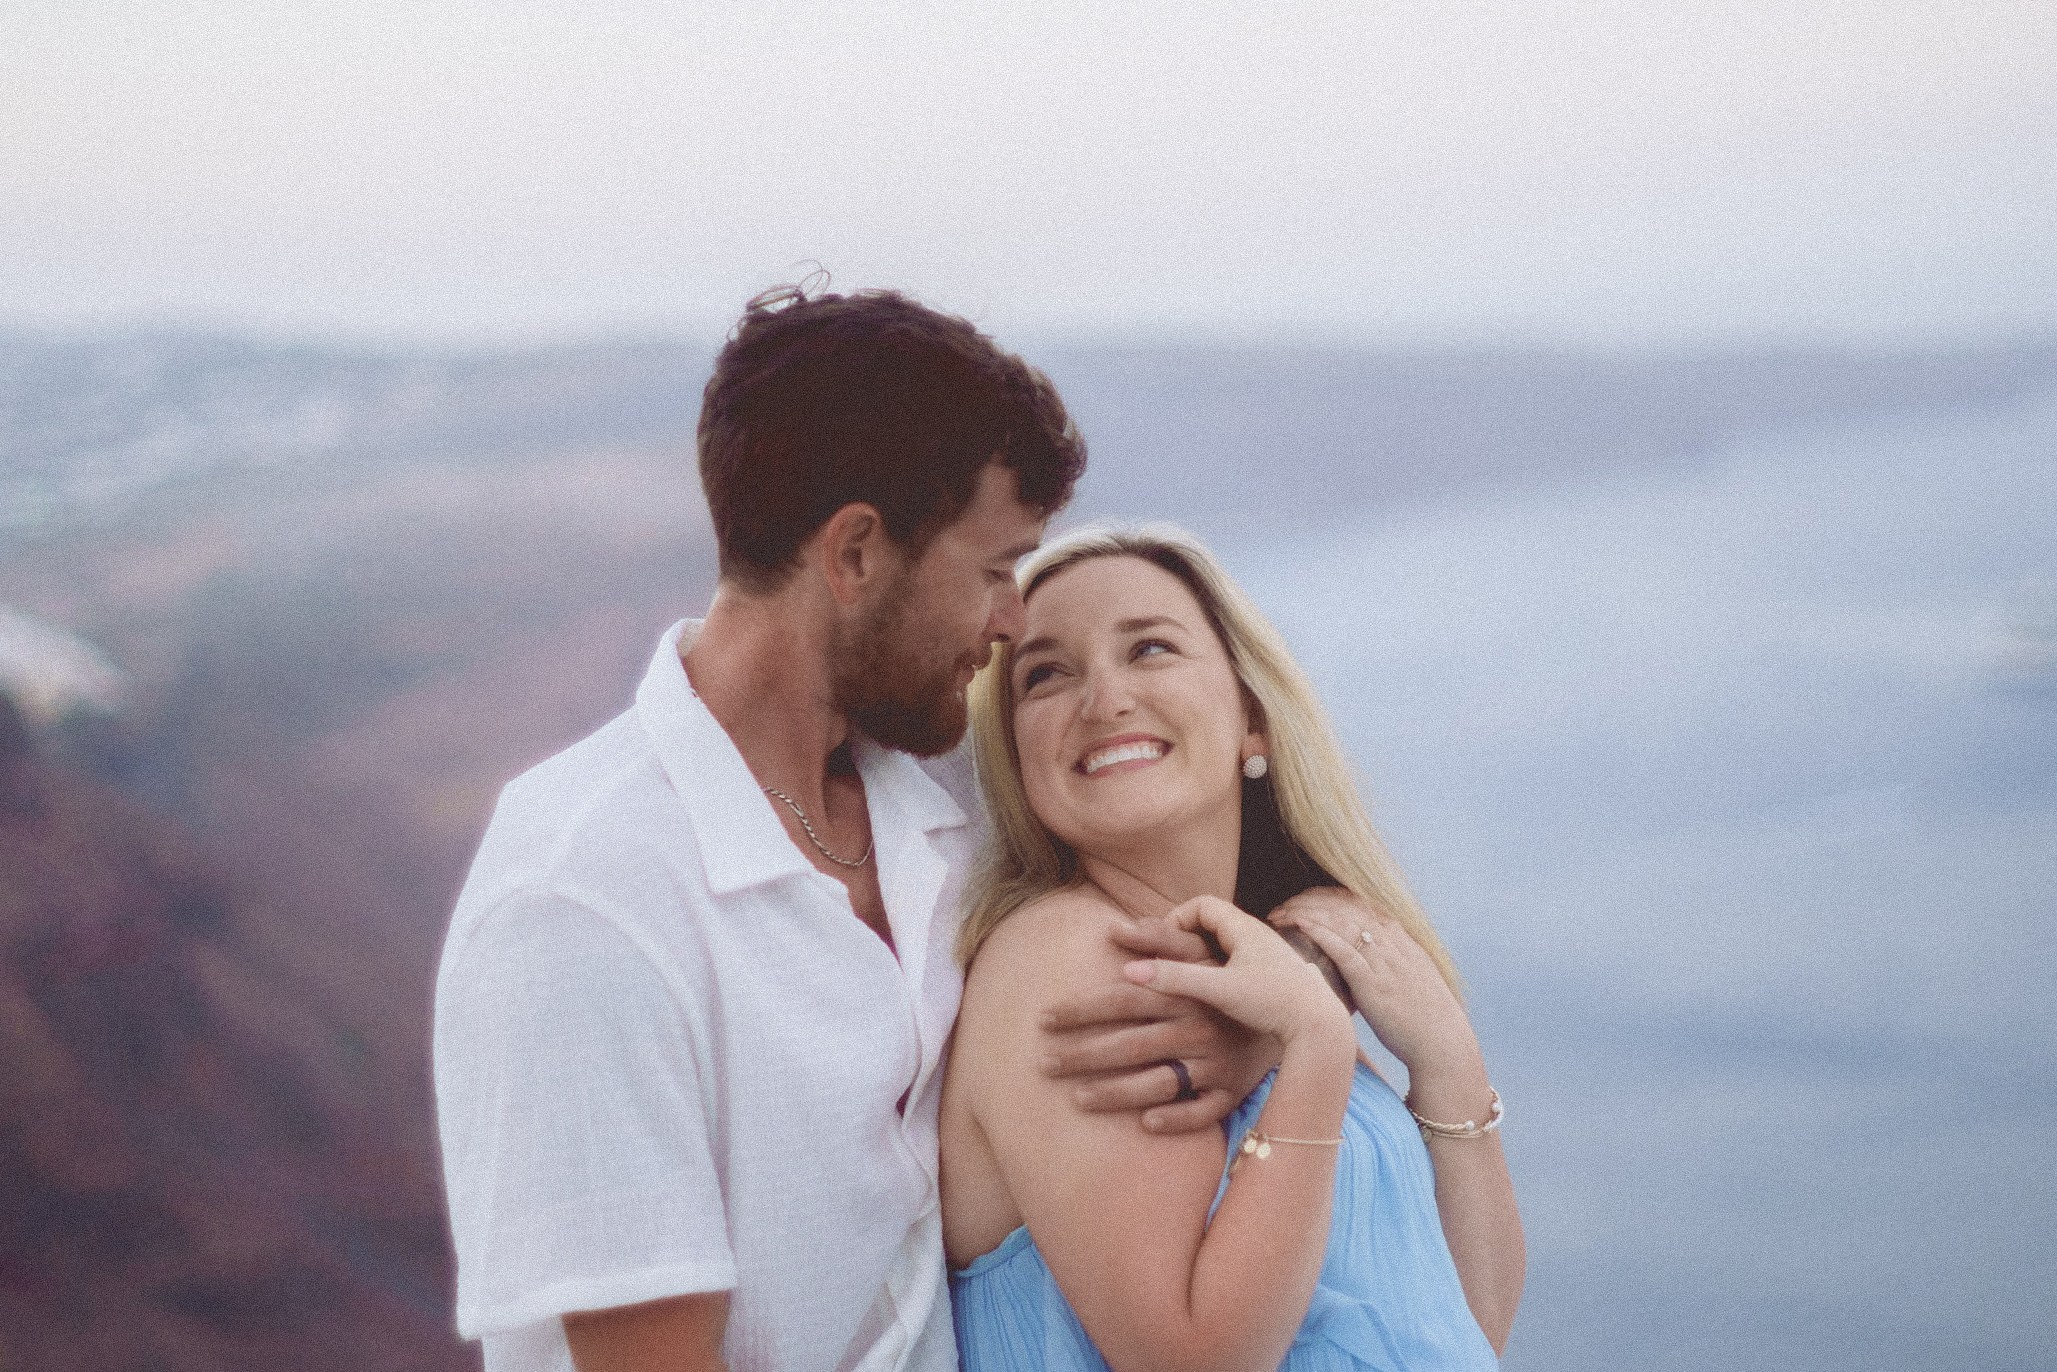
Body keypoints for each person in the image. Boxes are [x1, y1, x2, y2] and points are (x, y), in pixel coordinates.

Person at [431, 286, 1279, 1372]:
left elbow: (1192, 875)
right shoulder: (583, 896)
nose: (1013, 619)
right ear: (855, 556)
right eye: (990, 569)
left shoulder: (940, 803)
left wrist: (1249, 1022)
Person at [941, 525, 1525, 1370]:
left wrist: (1446, 1061)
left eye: (1148, 649)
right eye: (1045, 674)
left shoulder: (1266, 972)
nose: (1102, 699)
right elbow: (1194, 1357)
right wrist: (1319, 1040)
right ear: (1018, 760)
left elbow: (1462, 1321)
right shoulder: (1069, 960)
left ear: (1252, 718)